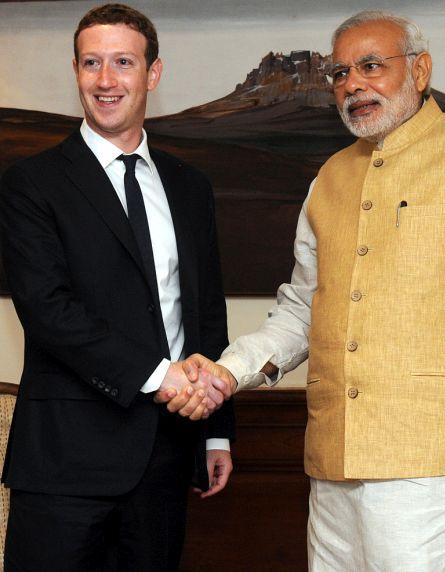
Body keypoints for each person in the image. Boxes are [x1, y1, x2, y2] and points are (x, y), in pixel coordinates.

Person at [177, 10, 445, 571]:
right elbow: (301, 311)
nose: (353, 85)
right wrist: (228, 371)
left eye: (371, 65)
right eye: (340, 73)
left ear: (420, 70)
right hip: (334, 475)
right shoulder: (329, 178)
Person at [0, 4, 234, 570]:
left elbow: (204, 313)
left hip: (166, 456)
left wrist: (216, 435)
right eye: (91, 63)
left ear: (152, 74)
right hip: (63, 464)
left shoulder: (189, 185)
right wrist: (162, 376)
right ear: (76, 72)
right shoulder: (30, 184)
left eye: (123, 62)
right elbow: (49, 312)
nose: (106, 81)